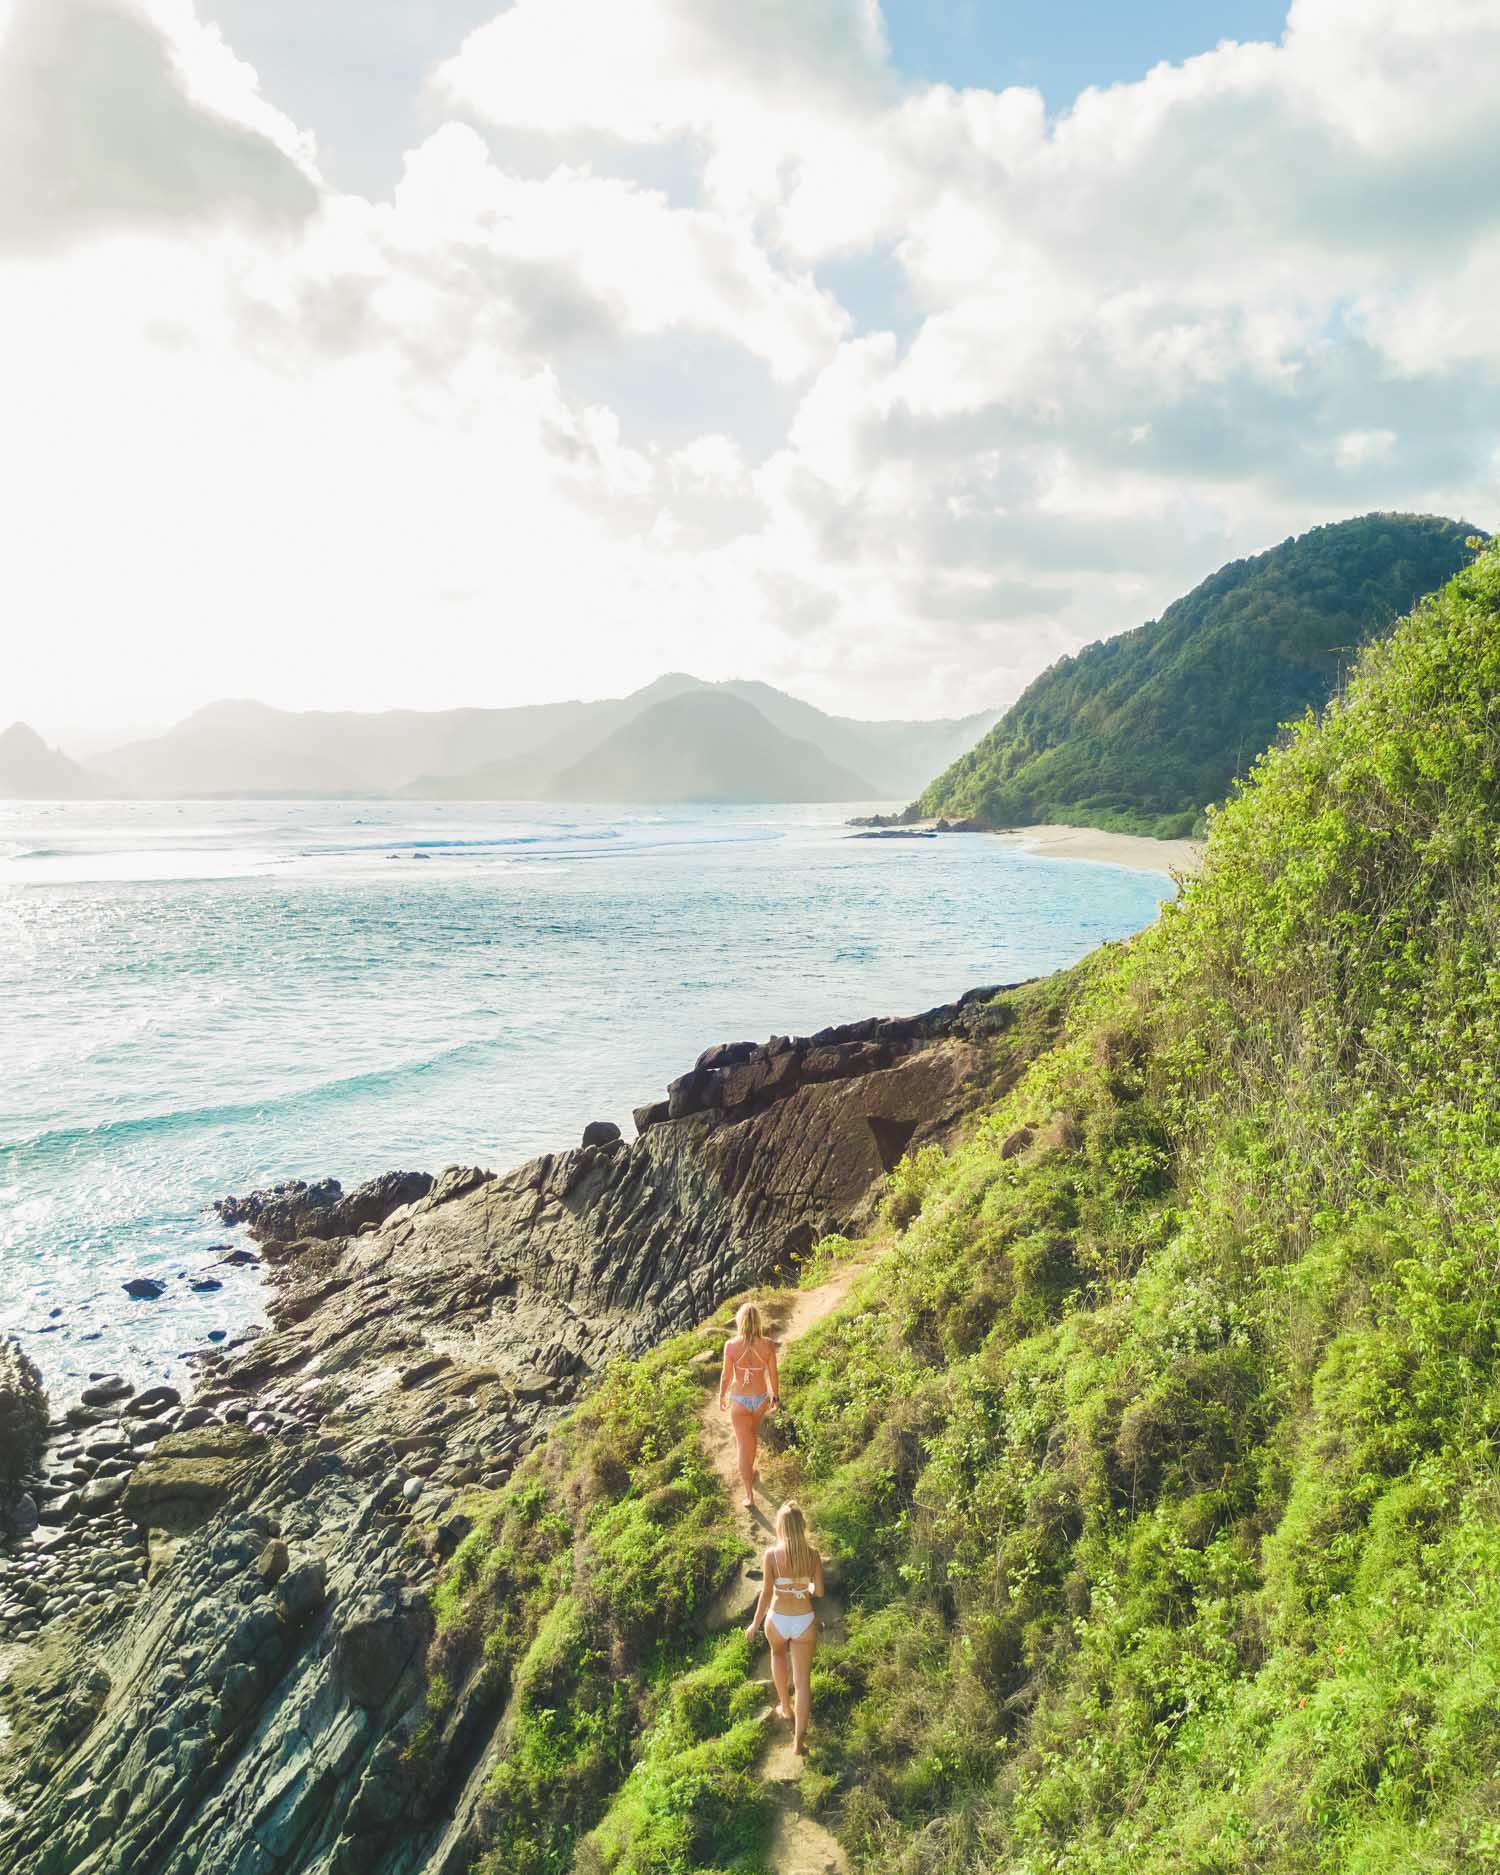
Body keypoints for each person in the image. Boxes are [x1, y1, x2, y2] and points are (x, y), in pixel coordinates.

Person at [746, 1501, 824, 1755]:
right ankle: (799, 1744)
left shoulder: (771, 1556)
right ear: (802, 1526)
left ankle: (784, 1707)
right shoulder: (812, 1555)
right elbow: (819, 1591)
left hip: (778, 1619)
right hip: (803, 1621)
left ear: (780, 1526)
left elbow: (766, 1593)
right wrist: (806, 1588)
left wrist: (754, 1624)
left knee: (777, 1655)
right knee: (803, 1683)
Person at [718, 1301, 779, 1511]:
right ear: (758, 1321)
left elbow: (726, 1376)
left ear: (739, 1321)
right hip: (760, 1399)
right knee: (752, 1436)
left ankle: (749, 1495)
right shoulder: (769, 1345)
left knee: (744, 1445)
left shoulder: (731, 1346)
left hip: (740, 1402)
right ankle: (751, 1472)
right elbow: (773, 1374)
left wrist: (721, 1396)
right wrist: (775, 1397)